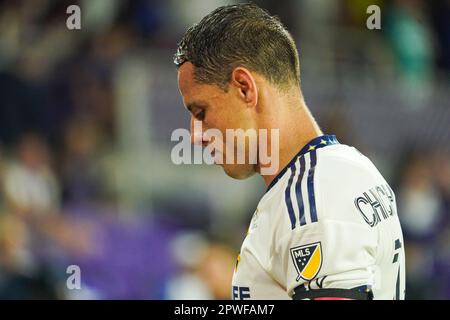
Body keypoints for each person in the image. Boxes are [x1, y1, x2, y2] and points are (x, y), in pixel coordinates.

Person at [174, 3, 405, 300]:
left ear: (245, 88)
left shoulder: (312, 195)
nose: (195, 136)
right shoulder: (350, 167)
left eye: (201, 111)